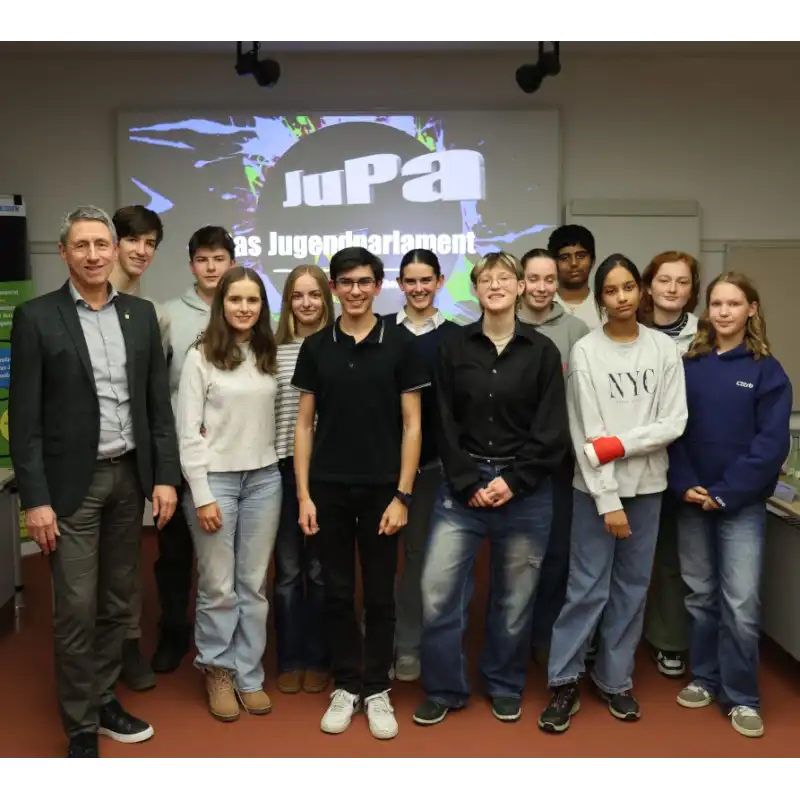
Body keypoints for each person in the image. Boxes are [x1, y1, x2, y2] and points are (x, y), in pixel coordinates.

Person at [8, 205, 180, 760]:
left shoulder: (139, 314)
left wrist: (165, 479)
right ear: (63, 253)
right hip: (70, 488)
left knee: (119, 602)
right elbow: (25, 420)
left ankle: (104, 698)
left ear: (115, 250)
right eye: (81, 246)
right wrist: (34, 500)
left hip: (130, 479)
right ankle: (81, 726)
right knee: (76, 608)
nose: (93, 255)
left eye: (101, 245)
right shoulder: (37, 317)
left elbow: (157, 407)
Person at [413, 251, 569, 727]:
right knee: (437, 591)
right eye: (487, 279)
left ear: (521, 287)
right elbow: (442, 420)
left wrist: (513, 481)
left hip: (525, 491)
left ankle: (503, 684)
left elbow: (551, 430)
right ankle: (444, 688)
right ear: (475, 290)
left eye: (505, 277)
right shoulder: (453, 348)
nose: (496, 285)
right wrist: (467, 481)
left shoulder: (543, 352)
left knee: (515, 598)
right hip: (462, 489)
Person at [538, 254, 688, 734]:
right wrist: (608, 501)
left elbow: (673, 423)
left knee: (632, 589)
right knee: (586, 588)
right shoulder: (587, 351)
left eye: (628, 288)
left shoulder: (663, 350)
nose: (621, 297)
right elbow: (586, 434)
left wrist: (621, 443)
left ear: (640, 292)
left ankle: (615, 678)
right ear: (600, 298)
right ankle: (564, 679)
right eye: (611, 290)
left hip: (650, 490)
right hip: (595, 492)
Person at [291, 246, 427, 740]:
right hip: (327, 489)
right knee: (337, 590)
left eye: (364, 282)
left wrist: (403, 495)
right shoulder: (317, 346)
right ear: (334, 288)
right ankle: (346, 685)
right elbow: (304, 425)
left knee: (379, 595)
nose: (354, 290)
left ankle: (376, 689)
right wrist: (304, 494)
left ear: (377, 285)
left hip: (382, 492)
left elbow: (413, 426)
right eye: (345, 282)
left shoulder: (400, 344)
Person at [668, 272, 792, 739]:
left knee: (740, 603)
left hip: (738, 506)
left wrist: (726, 492)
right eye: (716, 304)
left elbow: (771, 445)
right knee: (701, 596)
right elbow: (672, 432)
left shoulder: (768, 371)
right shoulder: (690, 366)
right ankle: (704, 677)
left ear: (751, 310)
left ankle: (741, 697)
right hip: (692, 501)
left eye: (733, 304)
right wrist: (686, 485)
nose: (722, 312)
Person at [177, 266, 282, 721]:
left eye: (252, 301)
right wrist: (201, 493)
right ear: (222, 304)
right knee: (218, 585)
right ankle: (217, 669)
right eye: (235, 300)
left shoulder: (267, 353)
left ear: (262, 307)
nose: (244, 308)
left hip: (264, 479)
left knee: (254, 584)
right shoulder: (200, 356)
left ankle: (249, 673)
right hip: (215, 481)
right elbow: (187, 432)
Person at [153, 226, 236, 673]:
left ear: (231, 263)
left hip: (232, 458)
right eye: (202, 259)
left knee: (226, 558)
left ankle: (230, 638)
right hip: (182, 456)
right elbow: (156, 384)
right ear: (191, 265)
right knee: (175, 552)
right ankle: (173, 631)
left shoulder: (245, 309)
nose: (210, 267)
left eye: (218, 258)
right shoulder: (168, 315)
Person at [516, 248, 590, 661]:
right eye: (533, 278)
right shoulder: (504, 324)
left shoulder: (576, 330)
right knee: (518, 555)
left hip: (560, 461)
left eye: (549, 279)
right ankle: (514, 636)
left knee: (557, 552)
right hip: (514, 458)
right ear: (520, 281)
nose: (542, 287)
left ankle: (545, 637)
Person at [108, 204, 170, 691]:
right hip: (80, 468)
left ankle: (127, 646)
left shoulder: (142, 311)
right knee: (82, 576)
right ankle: (94, 666)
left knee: (125, 566)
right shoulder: (60, 311)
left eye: (150, 243)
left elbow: (155, 401)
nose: (142, 251)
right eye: (134, 240)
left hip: (132, 463)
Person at [393, 248, 459, 682]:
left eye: (425, 280)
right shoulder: (382, 332)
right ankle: (391, 641)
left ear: (438, 282)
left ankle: (413, 646)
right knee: (388, 563)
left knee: (424, 560)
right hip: (387, 468)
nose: (418, 288)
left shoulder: (456, 336)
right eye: (410, 281)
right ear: (399, 285)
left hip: (436, 467)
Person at [637, 251, 701, 679]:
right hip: (635, 458)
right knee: (624, 556)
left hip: (688, 459)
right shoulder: (630, 332)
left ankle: (669, 640)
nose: (672, 289)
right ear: (649, 286)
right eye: (664, 280)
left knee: (672, 559)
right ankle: (609, 638)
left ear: (692, 290)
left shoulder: (706, 336)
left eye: (682, 282)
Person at [273, 264, 335, 695]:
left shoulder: (336, 347)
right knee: (288, 570)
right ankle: (290, 657)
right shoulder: (270, 351)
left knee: (320, 570)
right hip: (278, 469)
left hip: (325, 471)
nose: (307, 302)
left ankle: (319, 656)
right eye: (298, 295)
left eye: (315, 294)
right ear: (288, 302)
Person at [548, 224, 604, 331]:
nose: (573, 263)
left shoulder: (605, 308)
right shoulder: (543, 305)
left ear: (593, 260)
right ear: (553, 263)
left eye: (581, 256)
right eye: (564, 257)